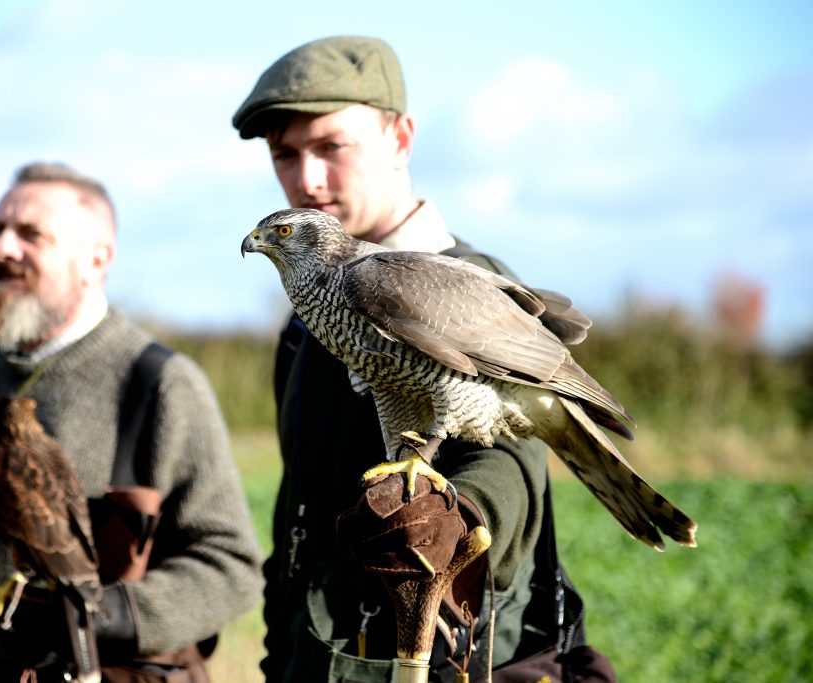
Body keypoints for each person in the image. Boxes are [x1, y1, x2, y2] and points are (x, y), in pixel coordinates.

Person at [233, 36, 616, 682]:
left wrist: (455, 521)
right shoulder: (303, 329)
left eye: (330, 146)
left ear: (400, 139)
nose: (307, 178)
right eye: (285, 155)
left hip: (458, 662)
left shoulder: (461, 279)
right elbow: (294, 529)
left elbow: (507, 456)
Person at [0, 162, 263, 681]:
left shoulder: (160, 384)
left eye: (30, 234)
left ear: (95, 260)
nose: (3, 249)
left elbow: (231, 568)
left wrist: (101, 617)